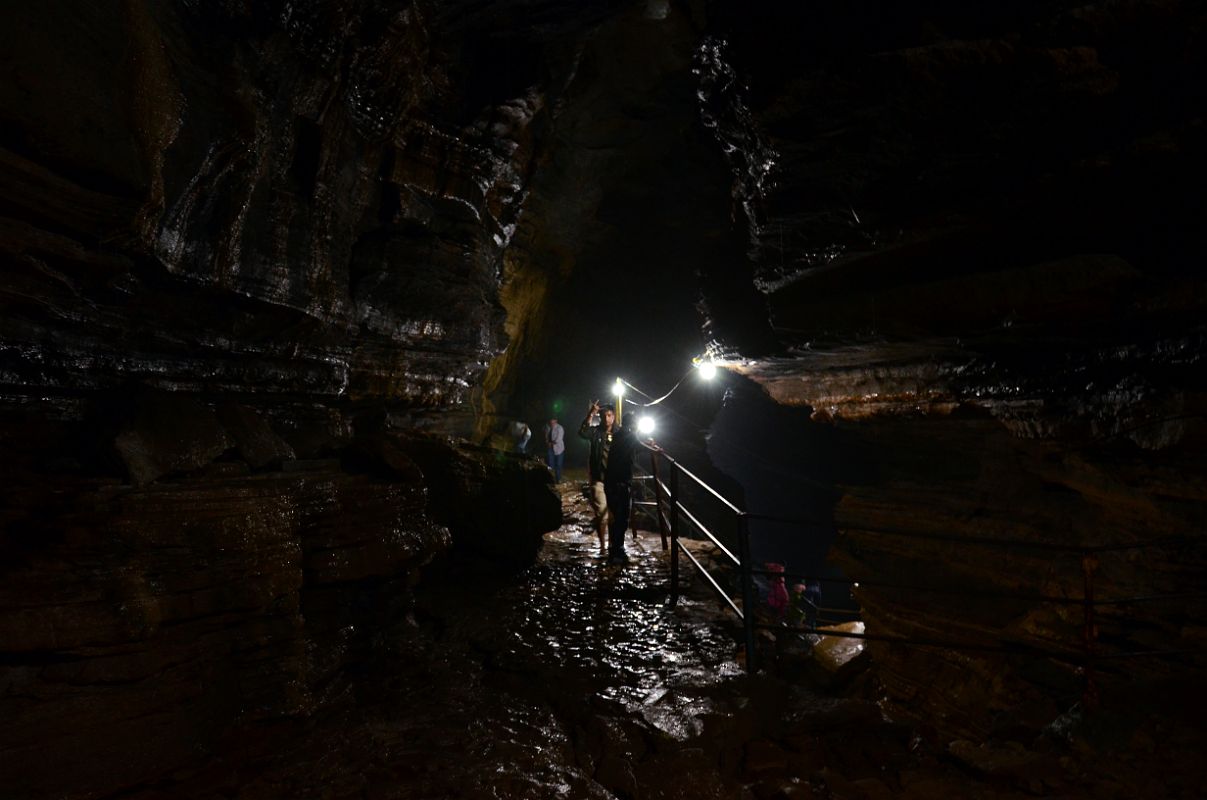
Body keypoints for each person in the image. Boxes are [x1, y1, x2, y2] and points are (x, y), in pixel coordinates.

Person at [579, 399, 638, 564]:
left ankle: (613, 547)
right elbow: (583, 432)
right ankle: (604, 547)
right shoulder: (596, 432)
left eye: (610, 415)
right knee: (603, 515)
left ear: (614, 416)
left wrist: (649, 444)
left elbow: (635, 443)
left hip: (615, 480)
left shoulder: (620, 432)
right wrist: (591, 413)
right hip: (599, 479)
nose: (607, 419)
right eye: (604, 415)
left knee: (616, 517)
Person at [545, 416, 565, 482]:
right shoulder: (548, 427)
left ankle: (558, 479)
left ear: (556, 421)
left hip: (559, 449)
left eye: (553, 421)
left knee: (558, 465)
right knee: (550, 465)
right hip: (550, 448)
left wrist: (551, 443)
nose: (551, 422)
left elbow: (559, 439)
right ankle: (550, 479)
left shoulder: (560, 428)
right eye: (551, 421)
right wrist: (547, 442)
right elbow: (546, 436)